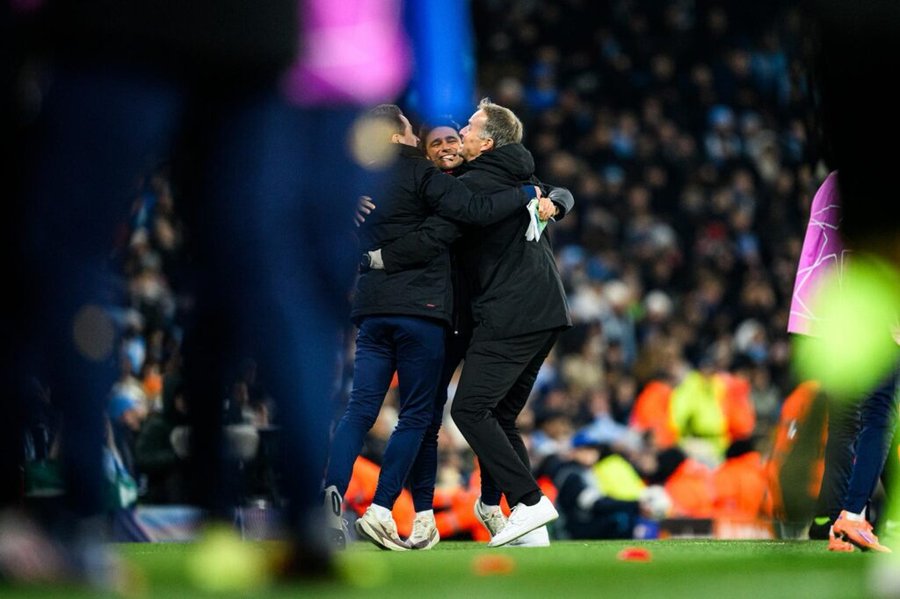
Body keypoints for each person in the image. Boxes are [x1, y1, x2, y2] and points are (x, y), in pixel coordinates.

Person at [4, 0, 413, 585]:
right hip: (258, 42)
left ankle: (81, 522)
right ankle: (302, 518)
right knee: (266, 274)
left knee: (77, 255)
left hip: (123, 31)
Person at [322, 104, 539, 551]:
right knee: (420, 417)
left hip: (374, 311)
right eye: (428, 140)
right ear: (404, 139)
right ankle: (385, 509)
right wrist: (528, 193)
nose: (443, 146)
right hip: (424, 312)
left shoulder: (355, 180)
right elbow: (472, 210)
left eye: (452, 138)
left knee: (360, 411)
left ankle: (341, 501)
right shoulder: (425, 177)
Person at [367, 115, 574, 549]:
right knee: (499, 417)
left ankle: (529, 501)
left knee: (469, 411)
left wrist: (376, 257)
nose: (460, 135)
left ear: (487, 143)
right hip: (546, 310)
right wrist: (555, 199)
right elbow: (558, 191)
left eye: (467, 130)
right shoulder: (517, 172)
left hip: (508, 311)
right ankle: (516, 516)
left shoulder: (476, 185)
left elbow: (436, 234)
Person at [788, 171, 897, 553]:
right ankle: (852, 515)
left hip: (831, 314)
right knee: (881, 413)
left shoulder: (835, 181)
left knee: (847, 421)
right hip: (874, 309)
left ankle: (833, 518)